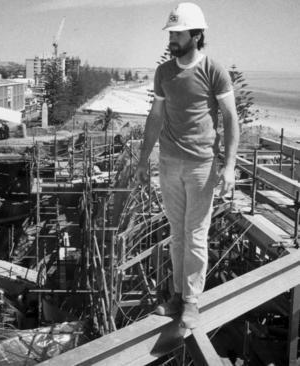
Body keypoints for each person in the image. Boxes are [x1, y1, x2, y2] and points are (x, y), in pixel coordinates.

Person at [135, 2, 239, 329]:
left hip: (201, 167)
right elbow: (155, 117)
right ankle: (178, 296)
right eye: (171, 33)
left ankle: (192, 302)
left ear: (196, 34)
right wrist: (143, 160)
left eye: (178, 33)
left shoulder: (214, 71)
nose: (172, 39)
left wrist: (229, 167)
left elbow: (230, 119)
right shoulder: (164, 72)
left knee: (195, 234)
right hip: (168, 163)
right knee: (177, 234)